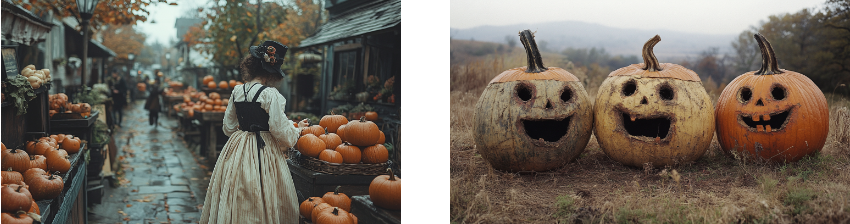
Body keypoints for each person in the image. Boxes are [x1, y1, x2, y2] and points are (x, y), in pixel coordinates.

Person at [200, 40, 309, 224]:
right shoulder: (270, 94)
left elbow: (228, 127)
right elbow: (280, 130)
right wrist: (297, 129)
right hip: (264, 150)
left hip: (238, 148)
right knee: (263, 190)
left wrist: (246, 131)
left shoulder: (237, 91)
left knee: (238, 191)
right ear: (270, 72)